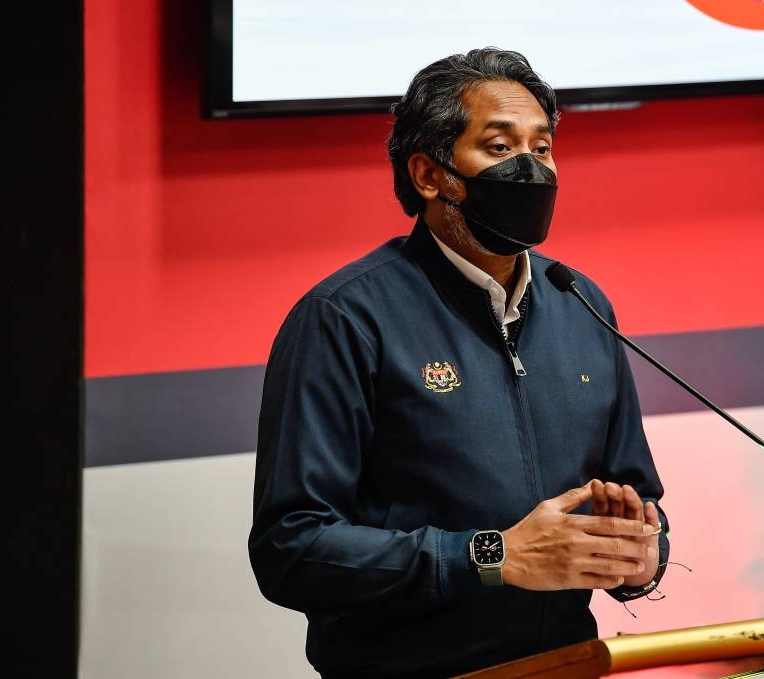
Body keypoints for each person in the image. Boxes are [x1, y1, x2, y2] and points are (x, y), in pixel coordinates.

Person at [249, 48, 669, 679]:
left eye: (543, 148)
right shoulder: (346, 317)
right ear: (430, 175)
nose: (530, 168)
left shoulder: (580, 302)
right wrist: (492, 557)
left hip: (566, 665)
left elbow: (638, 498)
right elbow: (292, 548)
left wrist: (641, 559)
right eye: (500, 148)